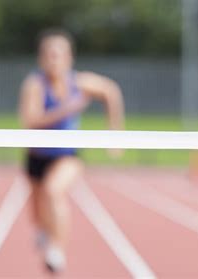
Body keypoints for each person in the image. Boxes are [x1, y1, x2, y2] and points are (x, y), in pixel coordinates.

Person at [18, 28, 125, 273]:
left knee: (54, 191)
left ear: (70, 58)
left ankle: (57, 249)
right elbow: (30, 120)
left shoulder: (79, 82)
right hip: (36, 156)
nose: (54, 59)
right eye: (48, 54)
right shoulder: (35, 85)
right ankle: (46, 232)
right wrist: (66, 109)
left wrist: (114, 133)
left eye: (59, 54)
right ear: (40, 58)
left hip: (66, 155)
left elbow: (111, 92)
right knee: (36, 216)